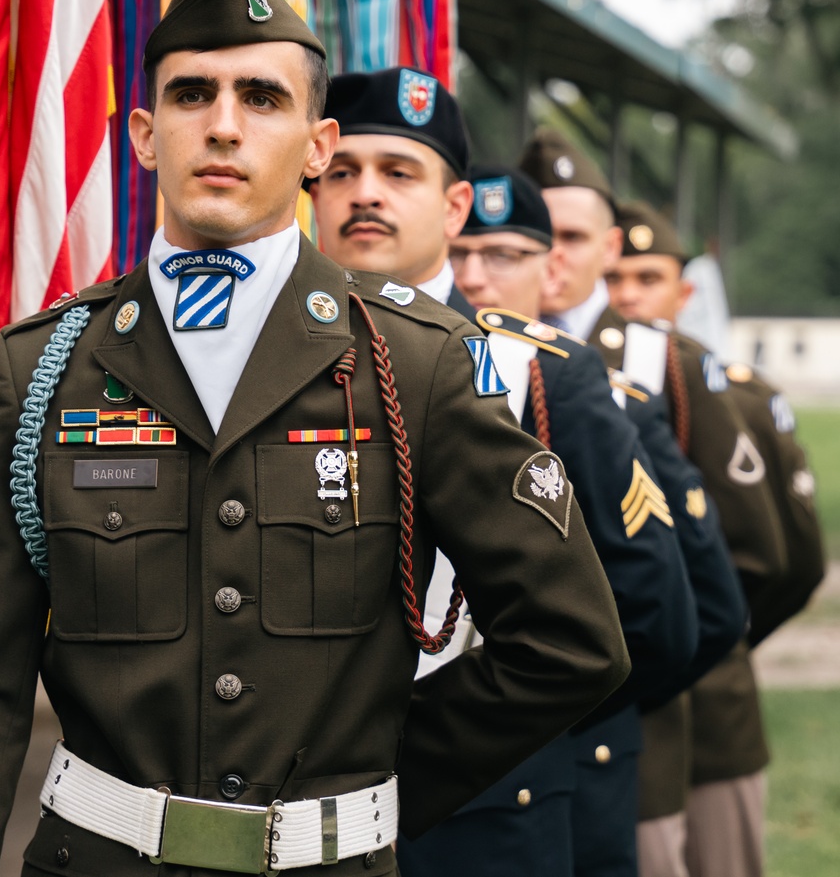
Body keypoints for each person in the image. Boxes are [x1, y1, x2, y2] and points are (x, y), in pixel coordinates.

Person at [0, 0, 629, 877]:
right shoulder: (42, 370)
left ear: (317, 148)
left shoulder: (416, 363)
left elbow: (570, 641)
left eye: (262, 98)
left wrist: (375, 789)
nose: (224, 126)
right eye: (193, 95)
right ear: (147, 134)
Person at [309, 80, 697, 877]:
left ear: (453, 208)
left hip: (476, 812)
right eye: (342, 170)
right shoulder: (263, 359)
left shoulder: (541, 372)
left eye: (398, 171)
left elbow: (658, 619)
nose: (366, 193)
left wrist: (480, 750)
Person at [518, 134, 759, 877]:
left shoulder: (658, 363)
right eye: (537, 236)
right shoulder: (487, 352)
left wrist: (670, 651)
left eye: (572, 236)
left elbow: (751, 562)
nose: (552, 256)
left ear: (607, 246)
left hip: (653, 711)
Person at [606, 199, 817, 877]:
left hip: (714, 703)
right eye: (615, 277)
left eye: (647, 277)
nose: (628, 294)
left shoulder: (724, 385)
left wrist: (716, 638)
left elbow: (781, 562)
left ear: (684, 289)